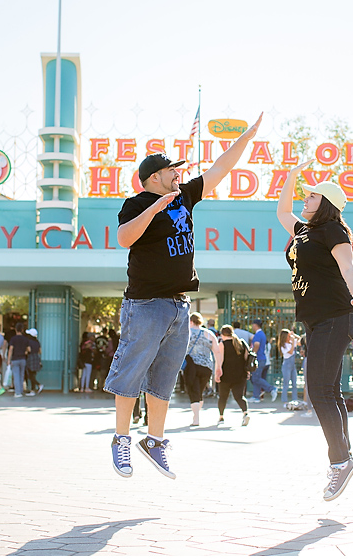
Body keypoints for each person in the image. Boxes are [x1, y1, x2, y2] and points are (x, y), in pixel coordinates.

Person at [106, 114, 262, 480]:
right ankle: (121, 438)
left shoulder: (184, 197)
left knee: (163, 377)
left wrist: (247, 137)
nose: (179, 174)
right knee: (131, 369)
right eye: (171, 171)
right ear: (154, 178)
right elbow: (124, 238)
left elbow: (220, 167)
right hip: (145, 304)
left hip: (179, 305)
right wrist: (156, 208)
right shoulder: (137, 202)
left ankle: (155, 441)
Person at [276, 158, 353, 501]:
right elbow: (282, 213)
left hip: (336, 315)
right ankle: (344, 453)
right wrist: (291, 177)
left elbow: (348, 267)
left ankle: (340, 460)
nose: (306, 198)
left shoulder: (333, 230)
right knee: (329, 389)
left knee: (318, 390)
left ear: (326, 203)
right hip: (316, 321)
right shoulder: (303, 230)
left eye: (312, 196)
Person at [184, 312, 220, 426]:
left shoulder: (186, 333)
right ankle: (197, 415)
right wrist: (218, 367)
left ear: (191, 321)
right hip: (206, 367)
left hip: (191, 366)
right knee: (199, 391)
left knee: (193, 391)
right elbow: (217, 352)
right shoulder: (209, 334)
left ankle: (196, 418)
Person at [215, 324, 251, 426]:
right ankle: (245, 413)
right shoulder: (241, 343)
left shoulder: (222, 344)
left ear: (222, 334)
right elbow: (246, 360)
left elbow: (220, 361)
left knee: (223, 397)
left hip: (225, 375)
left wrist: (217, 373)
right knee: (239, 396)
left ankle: (221, 417)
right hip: (240, 375)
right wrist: (247, 372)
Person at [248, 319, 277, 403]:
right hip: (262, 358)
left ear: (255, 325)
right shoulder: (262, 334)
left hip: (258, 358)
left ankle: (271, 388)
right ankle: (256, 396)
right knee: (256, 378)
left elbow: (256, 345)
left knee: (256, 378)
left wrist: (252, 355)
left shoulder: (257, 335)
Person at [6, 322, 30, 398]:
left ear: (16, 329)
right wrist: (25, 351)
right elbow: (29, 349)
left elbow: (10, 349)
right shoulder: (25, 339)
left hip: (15, 359)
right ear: (22, 330)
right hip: (23, 359)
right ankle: (21, 390)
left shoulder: (13, 339)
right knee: (21, 375)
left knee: (16, 375)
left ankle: (17, 392)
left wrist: (8, 359)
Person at [278, 329, 299, 404]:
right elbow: (290, 352)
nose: (290, 337)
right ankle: (284, 401)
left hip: (293, 365)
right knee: (286, 384)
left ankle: (295, 400)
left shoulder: (291, 343)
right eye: (288, 336)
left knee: (294, 384)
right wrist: (293, 342)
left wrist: (294, 335)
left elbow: (300, 340)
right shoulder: (283, 346)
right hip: (286, 366)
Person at [25, 328, 43, 396]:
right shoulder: (37, 342)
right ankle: (32, 390)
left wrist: (26, 351)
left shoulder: (29, 342)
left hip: (31, 358)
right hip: (36, 357)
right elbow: (40, 351)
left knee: (30, 375)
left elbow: (29, 350)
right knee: (33, 374)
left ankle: (39, 385)